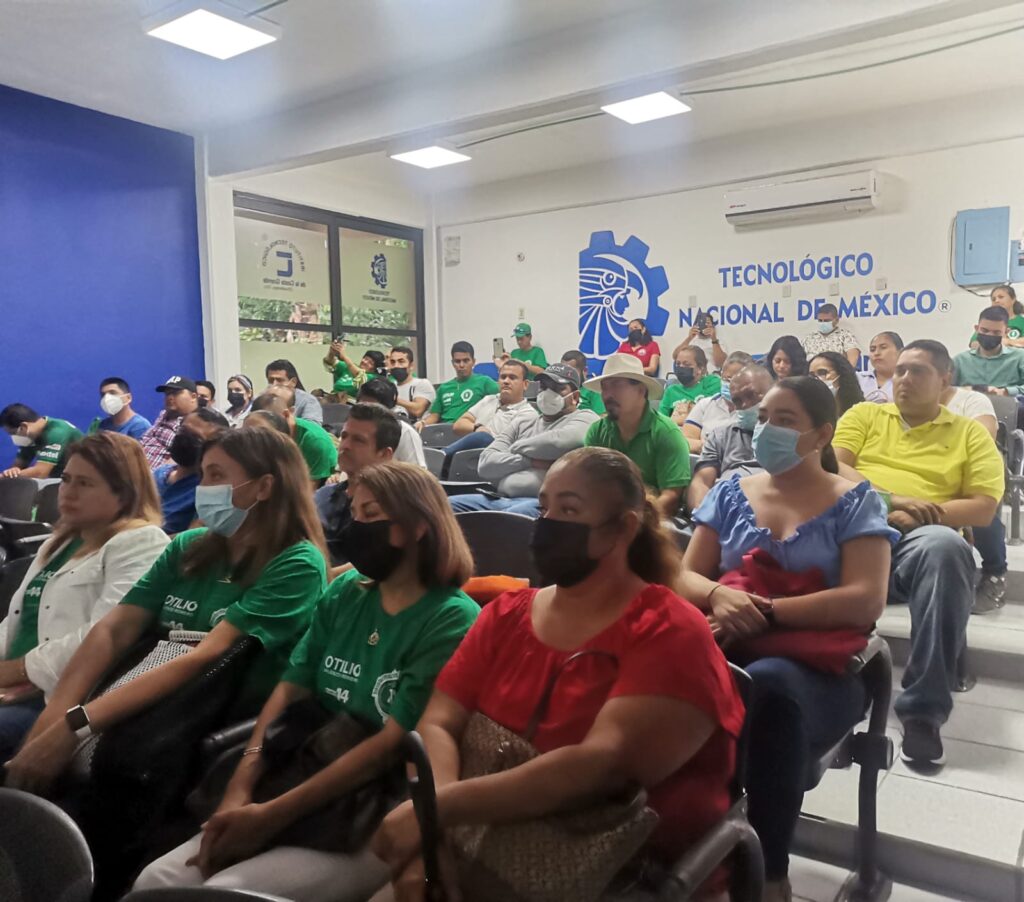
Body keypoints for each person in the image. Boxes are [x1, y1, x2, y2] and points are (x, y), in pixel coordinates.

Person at [372, 447, 744, 902]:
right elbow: (439, 721)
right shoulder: (506, 615)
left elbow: (598, 767)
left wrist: (437, 811)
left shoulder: (669, 632)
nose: (546, 522)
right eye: (544, 506)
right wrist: (434, 838)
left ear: (623, 528)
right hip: (476, 842)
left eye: (569, 510)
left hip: (620, 871)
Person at [134, 462, 479, 902]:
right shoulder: (347, 589)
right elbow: (291, 686)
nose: (356, 526)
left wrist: (271, 816)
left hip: (371, 802)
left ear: (418, 526)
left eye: (371, 514)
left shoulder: (451, 618)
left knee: (225, 893)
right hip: (302, 766)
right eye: (354, 512)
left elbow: (390, 742)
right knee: (157, 880)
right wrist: (243, 782)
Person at [5, 428, 329, 796]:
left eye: (217, 475)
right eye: (203, 474)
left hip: (207, 726)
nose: (204, 488)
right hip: (135, 708)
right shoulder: (189, 547)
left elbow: (205, 657)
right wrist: (51, 724)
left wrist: (74, 725)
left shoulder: (297, 564)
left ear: (264, 486)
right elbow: (113, 631)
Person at [679, 376, 897, 902]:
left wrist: (766, 612)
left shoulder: (855, 502)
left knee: (766, 685)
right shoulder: (732, 491)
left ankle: (769, 873)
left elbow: (866, 599)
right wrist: (719, 595)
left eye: (784, 421)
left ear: (821, 435)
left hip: (822, 670)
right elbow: (684, 577)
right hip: (732, 648)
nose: (766, 430)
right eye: (763, 418)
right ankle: (680, 846)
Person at [833, 340, 1004, 767]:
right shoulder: (865, 415)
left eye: (918, 371)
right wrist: (892, 501)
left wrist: (920, 516)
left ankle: (923, 713)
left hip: (920, 542)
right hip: (856, 529)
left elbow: (984, 506)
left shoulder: (968, 432)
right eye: (900, 371)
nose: (904, 379)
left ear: (945, 379)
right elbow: (833, 466)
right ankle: (825, 685)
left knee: (946, 548)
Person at [0, 433, 168, 759]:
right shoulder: (60, 542)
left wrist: (18, 670)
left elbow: (102, 635)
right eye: (66, 479)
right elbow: (17, 621)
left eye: (85, 483)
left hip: (58, 701)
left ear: (123, 493)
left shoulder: (142, 542)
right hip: (13, 686)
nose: (68, 491)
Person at [448, 363, 598, 515]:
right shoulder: (522, 423)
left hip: (543, 504)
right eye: (543, 387)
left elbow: (559, 442)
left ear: (575, 397)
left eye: (557, 388)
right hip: (499, 498)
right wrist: (529, 461)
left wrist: (513, 448)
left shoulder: (585, 417)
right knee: (445, 506)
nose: (548, 393)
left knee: (508, 518)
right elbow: (485, 463)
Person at [582, 354, 690, 517]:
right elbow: (589, 483)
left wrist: (634, 519)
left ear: (641, 390)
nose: (607, 394)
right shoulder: (596, 431)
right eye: (604, 387)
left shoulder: (666, 433)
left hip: (651, 520)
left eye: (616, 385)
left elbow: (671, 497)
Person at [938, 379, 1003, 614]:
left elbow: (985, 440)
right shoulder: (905, 402)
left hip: (968, 470)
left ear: (943, 376)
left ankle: (995, 574)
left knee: (979, 508)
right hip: (926, 474)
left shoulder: (972, 400)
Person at [314, 404, 402, 566]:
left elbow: (373, 564)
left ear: (384, 454)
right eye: (344, 436)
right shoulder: (322, 496)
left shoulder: (393, 507)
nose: (345, 446)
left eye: (358, 440)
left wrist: (322, 576)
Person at [686, 365, 774, 511]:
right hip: (728, 514)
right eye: (737, 401)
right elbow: (701, 482)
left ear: (773, 392)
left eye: (751, 395)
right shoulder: (721, 436)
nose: (745, 405)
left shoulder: (791, 435)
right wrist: (703, 515)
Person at [154, 407, 231, 534]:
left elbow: (191, 538)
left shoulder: (207, 492)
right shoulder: (159, 474)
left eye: (196, 438)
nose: (184, 439)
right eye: (183, 430)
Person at [447, 359, 536, 459]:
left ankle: (440, 457)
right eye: (503, 377)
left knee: (483, 438)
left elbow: (515, 450)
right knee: (481, 436)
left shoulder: (528, 414)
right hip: (469, 457)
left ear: (525, 384)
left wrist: (484, 436)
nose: (506, 381)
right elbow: (458, 425)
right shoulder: (489, 399)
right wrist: (477, 428)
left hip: (498, 459)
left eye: (512, 377)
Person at [250, 388, 338, 489]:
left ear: (286, 415)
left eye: (266, 430)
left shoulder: (314, 440)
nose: (261, 437)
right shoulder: (265, 438)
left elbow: (308, 491)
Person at [682, 351, 754, 455]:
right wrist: (706, 446)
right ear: (721, 376)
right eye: (727, 379)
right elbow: (685, 441)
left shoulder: (755, 412)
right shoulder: (705, 404)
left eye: (738, 381)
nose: (732, 385)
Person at [421, 342, 498, 426]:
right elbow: (434, 416)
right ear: (452, 363)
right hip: (445, 429)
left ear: (473, 362)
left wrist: (501, 367)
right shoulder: (443, 388)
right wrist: (422, 423)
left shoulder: (484, 382)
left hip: (470, 429)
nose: (461, 365)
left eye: (466, 361)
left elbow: (506, 393)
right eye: (457, 361)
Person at [952, 306, 1024, 396]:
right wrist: (968, 390)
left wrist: (1005, 392)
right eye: (984, 330)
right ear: (977, 329)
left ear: (1006, 332)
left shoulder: (1019, 357)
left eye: (996, 332)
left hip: (1009, 403)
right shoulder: (960, 361)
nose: (989, 335)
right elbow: (945, 389)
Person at [356, 379, 427, 469]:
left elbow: (417, 473)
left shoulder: (404, 432)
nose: (365, 414)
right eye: (362, 407)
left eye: (372, 409)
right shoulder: (353, 428)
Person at [1, 404, 83, 480]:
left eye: (12, 433)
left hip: (81, 480)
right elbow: (18, 466)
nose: (13, 437)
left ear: (23, 427)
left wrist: (5, 477)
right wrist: (13, 471)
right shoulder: (29, 437)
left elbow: (40, 473)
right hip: (61, 479)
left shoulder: (57, 432)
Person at [139, 375, 200, 470]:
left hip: (159, 475)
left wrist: (155, 475)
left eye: (176, 393)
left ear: (193, 397)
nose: (170, 397)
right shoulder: (163, 415)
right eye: (167, 394)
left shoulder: (199, 423)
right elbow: (143, 441)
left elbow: (184, 459)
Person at [659, 346, 722, 424]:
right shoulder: (671, 391)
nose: (681, 367)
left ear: (700, 368)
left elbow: (711, 414)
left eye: (687, 364)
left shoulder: (712, 382)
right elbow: (661, 421)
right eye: (678, 364)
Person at [807, 352, 865, 417]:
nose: (816, 379)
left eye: (822, 373)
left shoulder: (862, 412)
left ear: (841, 374)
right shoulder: (807, 415)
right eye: (812, 376)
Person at [266, 360, 324, 424]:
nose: (274, 385)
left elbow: (313, 427)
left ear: (293, 382)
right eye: (270, 380)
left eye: (280, 380)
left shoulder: (309, 401)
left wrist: (288, 419)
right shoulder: (264, 399)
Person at [387, 346, 435, 422]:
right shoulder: (390, 386)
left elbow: (418, 410)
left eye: (401, 362)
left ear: (411, 366)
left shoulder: (421, 383)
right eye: (393, 362)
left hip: (415, 428)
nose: (396, 365)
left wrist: (392, 399)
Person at [859, 332, 903, 403]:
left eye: (883, 347)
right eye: (872, 349)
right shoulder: (857, 379)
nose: (876, 353)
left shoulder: (909, 381)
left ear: (900, 352)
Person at [560, 350, 605, 414]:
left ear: (585, 370)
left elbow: (600, 416)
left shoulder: (594, 390)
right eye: (563, 371)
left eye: (571, 372)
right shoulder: (559, 389)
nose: (566, 375)